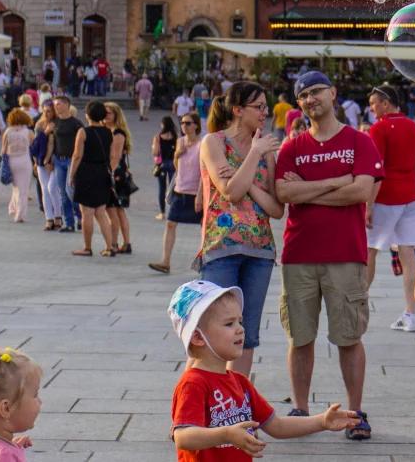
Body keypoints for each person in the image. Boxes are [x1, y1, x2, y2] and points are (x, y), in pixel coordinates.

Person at [274, 71, 382, 440]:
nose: (309, 99)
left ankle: (355, 412)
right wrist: (337, 182)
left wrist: (308, 191)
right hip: (299, 253)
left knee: (349, 336)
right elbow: (285, 194)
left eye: (316, 91)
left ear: (333, 93)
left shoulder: (359, 142)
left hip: (345, 254)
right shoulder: (292, 147)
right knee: (299, 336)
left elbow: (361, 192)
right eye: (302, 95)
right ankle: (300, 410)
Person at [167, 281, 359, 460]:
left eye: (240, 321)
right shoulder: (193, 383)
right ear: (198, 338)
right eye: (229, 323)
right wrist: (226, 434)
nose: (240, 329)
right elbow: (183, 436)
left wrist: (322, 422)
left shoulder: (240, 382)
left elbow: (277, 426)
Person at [197, 82, 284, 377]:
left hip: (260, 250)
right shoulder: (214, 142)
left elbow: (276, 208)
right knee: (212, 330)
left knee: (245, 334)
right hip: (221, 247)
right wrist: (254, 154)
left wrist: (251, 183)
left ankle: (237, 404)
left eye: (265, 106)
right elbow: (230, 191)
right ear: (237, 110)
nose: (265, 112)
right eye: (258, 107)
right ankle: (201, 403)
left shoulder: (267, 150)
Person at [365, 84, 415, 326]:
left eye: (374, 104)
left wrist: (368, 204)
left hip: (385, 197)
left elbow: (375, 170)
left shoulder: (379, 128)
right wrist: (413, 194)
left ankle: (358, 302)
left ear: (385, 103)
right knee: (408, 253)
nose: (372, 109)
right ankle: (410, 312)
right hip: (410, 197)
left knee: (369, 250)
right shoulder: (414, 127)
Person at [148, 112, 204, 275]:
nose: (184, 126)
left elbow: (204, 170)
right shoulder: (179, 141)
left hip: (196, 192)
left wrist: (200, 194)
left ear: (196, 125)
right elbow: (176, 165)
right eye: (182, 123)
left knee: (204, 227)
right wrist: (177, 154)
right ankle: (165, 261)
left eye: (188, 123)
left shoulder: (203, 144)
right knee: (170, 223)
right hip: (180, 189)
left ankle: (203, 260)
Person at [68, 101, 116, 257]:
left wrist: (71, 174)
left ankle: (87, 247)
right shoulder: (108, 132)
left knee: (87, 212)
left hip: (86, 172)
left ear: (87, 115)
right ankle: (110, 246)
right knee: (101, 212)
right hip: (102, 171)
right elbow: (111, 155)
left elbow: (77, 155)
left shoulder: (83, 132)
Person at [0, 347, 42, 461]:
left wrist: (9, 444)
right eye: (35, 395)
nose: (40, 401)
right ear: (6, 409)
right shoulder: (3, 455)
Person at [47, 97, 82, 234]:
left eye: (59, 104)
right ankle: (68, 223)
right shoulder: (54, 122)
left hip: (71, 160)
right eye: (55, 105)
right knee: (62, 193)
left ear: (67, 105)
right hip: (58, 160)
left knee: (70, 190)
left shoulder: (76, 123)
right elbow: (51, 142)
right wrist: (49, 159)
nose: (56, 107)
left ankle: (81, 216)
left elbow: (82, 143)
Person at [102, 102, 134, 254]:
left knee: (113, 210)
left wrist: (109, 175)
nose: (106, 115)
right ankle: (125, 243)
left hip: (116, 174)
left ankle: (114, 243)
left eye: (109, 113)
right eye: (104, 112)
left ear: (116, 115)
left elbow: (115, 157)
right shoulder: (108, 131)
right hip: (117, 173)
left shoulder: (117, 133)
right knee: (119, 210)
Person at [0, 110, 33, 223]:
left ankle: (13, 208)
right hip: (24, 161)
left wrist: (3, 163)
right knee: (23, 189)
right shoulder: (28, 132)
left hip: (12, 161)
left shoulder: (8, 132)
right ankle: (20, 214)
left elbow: (3, 150)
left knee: (16, 187)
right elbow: (33, 146)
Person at [31, 102, 61, 231]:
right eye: (45, 111)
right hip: (41, 161)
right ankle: (49, 219)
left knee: (52, 188)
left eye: (49, 111)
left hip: (55, 161)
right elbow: (36, 145)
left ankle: (58, 216)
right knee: (44, 190)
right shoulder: (39, 124)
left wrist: (51, 161)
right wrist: (46, 132)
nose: (47, 113)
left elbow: (59, 145)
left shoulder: (59, 124)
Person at [152, 116, 178, 220]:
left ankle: (162, 213)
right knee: (173, 188)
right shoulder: (175, 136)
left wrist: (154, 147)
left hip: (162, 165)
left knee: (162, 188)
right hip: (173, 164)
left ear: (163, 125)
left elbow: (155, 152)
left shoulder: (158, 137)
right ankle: (173, 211)